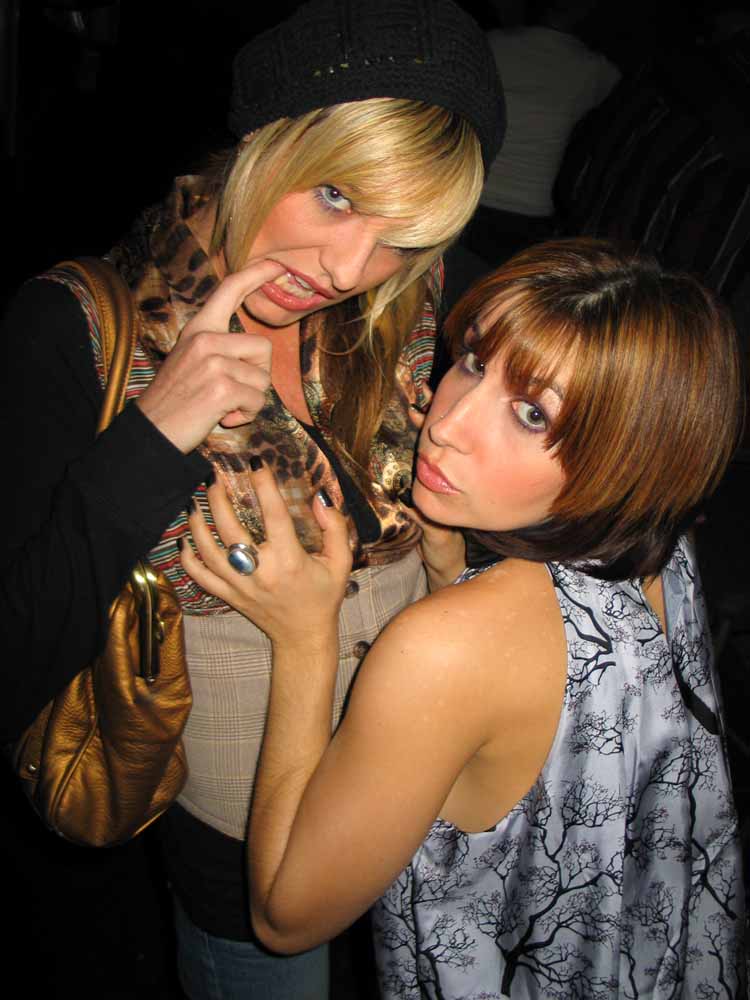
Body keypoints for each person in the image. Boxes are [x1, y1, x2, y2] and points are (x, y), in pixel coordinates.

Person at [1, 1, 505, 996]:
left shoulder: (419, 297)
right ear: (266, 141)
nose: (347, 269)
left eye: (401, 234)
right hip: (237, 839)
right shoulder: (74, 328)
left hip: (426, 774)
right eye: (335, 196)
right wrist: (152, 439)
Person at [182, 239, 747, 997]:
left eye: (531, 414)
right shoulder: (663, 550)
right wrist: (451, 565)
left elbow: (287, 918)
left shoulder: (444, 650)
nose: (447, 423)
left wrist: (304, 637)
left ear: (627, 458)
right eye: (475, 362)